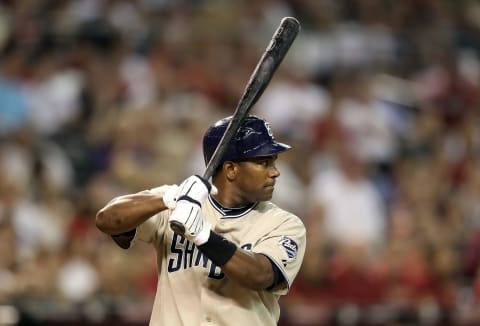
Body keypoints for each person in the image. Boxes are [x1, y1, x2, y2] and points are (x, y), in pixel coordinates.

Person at [95, 115, 306, 325]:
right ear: (231, 169)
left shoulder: (283, 223)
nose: (275, 172)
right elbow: (107, 220)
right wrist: (169, 197)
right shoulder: (180, 203)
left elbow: (260, 275)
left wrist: (203, 235)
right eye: (263, 162)